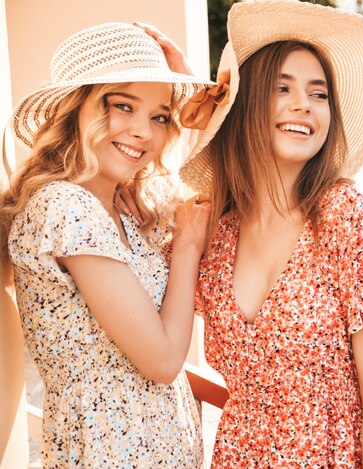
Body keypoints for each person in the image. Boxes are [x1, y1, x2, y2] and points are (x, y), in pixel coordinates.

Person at [136, 0, 363, 466]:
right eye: (281, 88)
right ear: (245, 108)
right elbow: (145, 290)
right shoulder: (216, 236)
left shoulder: (349, 219)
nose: (303, 103)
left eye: (319, 93)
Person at [0, 23, 213, 467]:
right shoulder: (65, 207)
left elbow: (230, 196)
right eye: (122, 106)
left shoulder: (124, 207)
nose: (143, 131)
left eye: (159, 116)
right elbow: (161, 361)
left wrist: (199, 104)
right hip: (107, 454)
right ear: (75, 108)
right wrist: (189, 246)